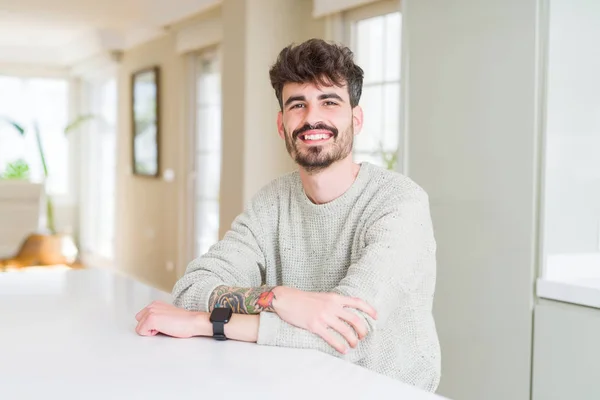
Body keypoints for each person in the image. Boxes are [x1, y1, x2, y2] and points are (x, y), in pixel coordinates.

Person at [134, 38, 441, 392]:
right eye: (298, 105)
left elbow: (344, 334)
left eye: (329, 102)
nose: (313, 118)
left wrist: (204, 323)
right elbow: (192, 286)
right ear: (282, 124)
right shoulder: (273, 202)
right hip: (296, 385)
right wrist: (279, 297)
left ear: (355, 120)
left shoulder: (400, 202)